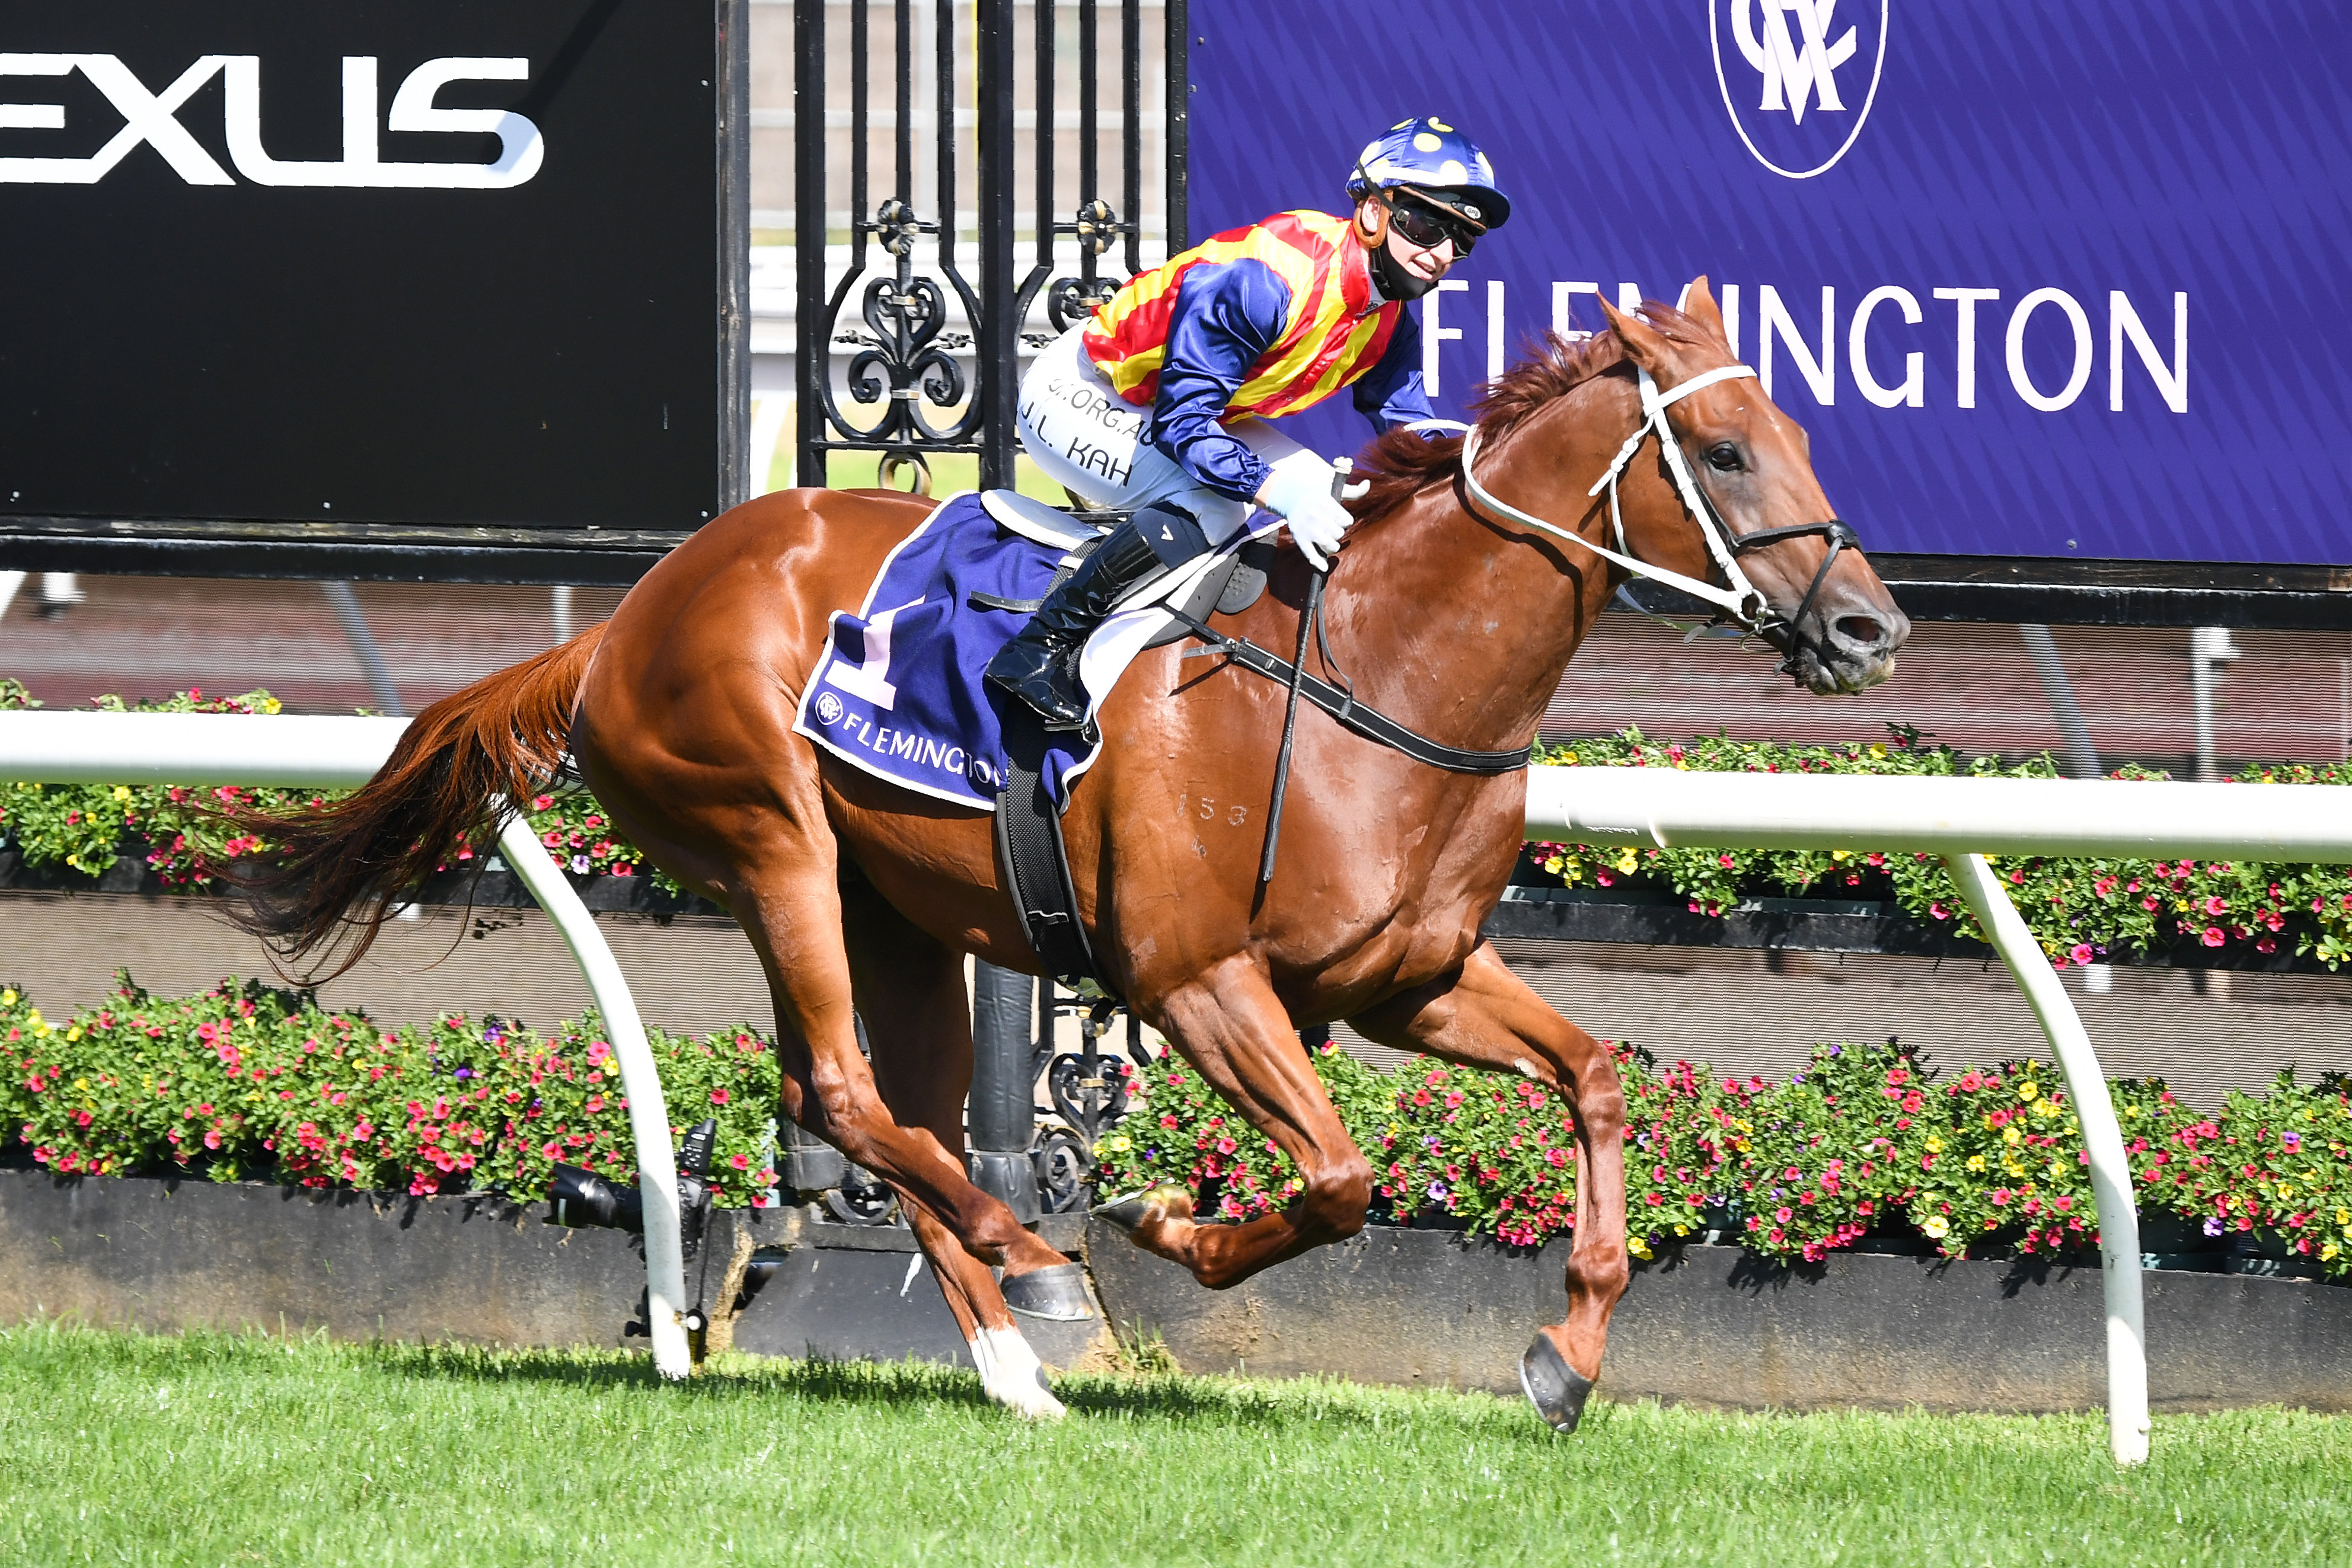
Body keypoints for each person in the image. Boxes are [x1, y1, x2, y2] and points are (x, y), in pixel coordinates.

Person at [985, 116, 1512, 729]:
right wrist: (1272, 489)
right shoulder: (1263, 280)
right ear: (1371, 211)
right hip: (1083, 388)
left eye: (1462, 239)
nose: (1442, 253)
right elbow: (1183, 426)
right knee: (1218, 507)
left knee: (1326, 490)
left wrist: (1491, 464)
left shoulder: (1390, 320)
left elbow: (1410, 430)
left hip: (1185, 404)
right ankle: (1041, 646)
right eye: (1426, 224)